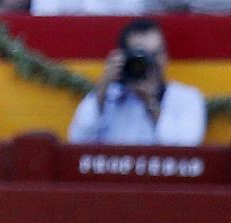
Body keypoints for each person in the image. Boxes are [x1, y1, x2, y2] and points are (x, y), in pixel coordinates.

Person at [68, 18, 205, 148]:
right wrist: (104, 84)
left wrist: (150, 102)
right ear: (125, 58)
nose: (151, 63)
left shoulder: (187, 98)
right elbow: (77, 138)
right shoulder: (108, 96)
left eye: (157, 54)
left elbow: (187, 149)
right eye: (142, 56)